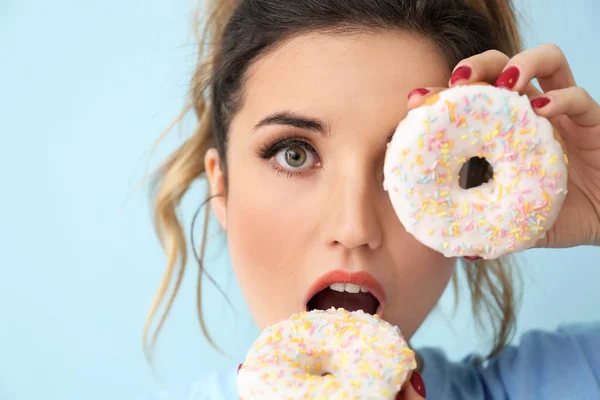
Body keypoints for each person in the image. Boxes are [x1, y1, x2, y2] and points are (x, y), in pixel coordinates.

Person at [142, 0, 600, 398]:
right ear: (220, 186)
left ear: (474, 200)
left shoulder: (579, 377)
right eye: (295, 154)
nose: (354, 227)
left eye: (404, 167)